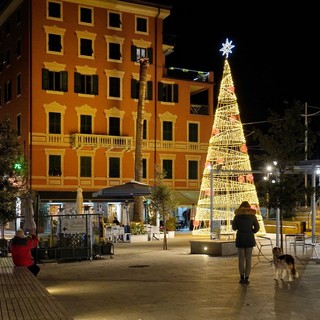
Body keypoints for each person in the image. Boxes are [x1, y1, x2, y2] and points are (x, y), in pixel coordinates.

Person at [232, 201, 260, 284]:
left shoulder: (237, 216)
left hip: (240, 238)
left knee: (241, 260)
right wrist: (252, 231)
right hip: (249, 239)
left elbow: (234, 228)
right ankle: (247, 277)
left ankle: (241, 277)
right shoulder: (252, 216)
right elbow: (257, 228)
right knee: (248, 259)